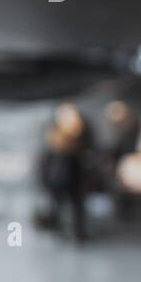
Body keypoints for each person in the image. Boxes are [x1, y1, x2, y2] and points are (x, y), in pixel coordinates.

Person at [37, 103, 95, 241]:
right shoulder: (54, 135)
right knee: (58, 204)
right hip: (58, 177)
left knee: (76, 205)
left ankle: (77, 231)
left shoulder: (82, 133)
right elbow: (46, 159)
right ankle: (59, 228)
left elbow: (88, 150)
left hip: (75, 176)